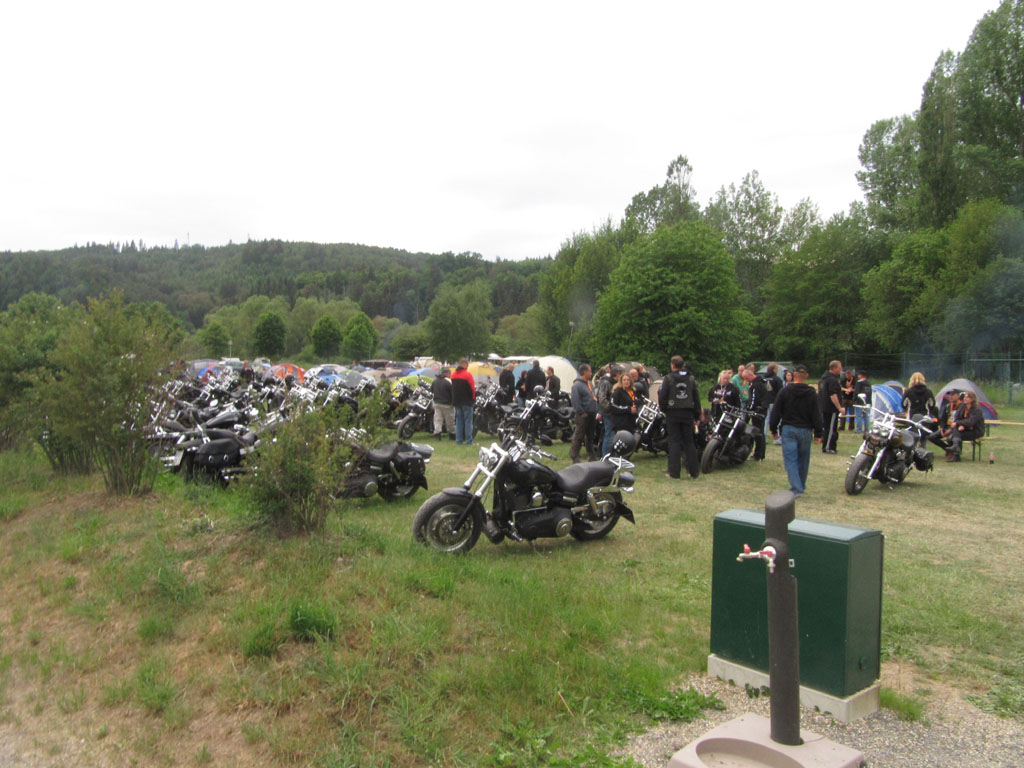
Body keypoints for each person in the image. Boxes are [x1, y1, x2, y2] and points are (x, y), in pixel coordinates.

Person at [769, 363, 823, 496]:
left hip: (789, 429)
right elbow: (816, 414)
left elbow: (776, 411)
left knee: (791, 460)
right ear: (807, 376)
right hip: (805, 430)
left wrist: (773, 429)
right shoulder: (811, 393)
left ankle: (796, 488)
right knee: (803, 459)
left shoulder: (785, 391)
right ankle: (801, 485)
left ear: (793, 376)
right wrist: (818, 432)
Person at [659, 355, 700, 479]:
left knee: (674, 442)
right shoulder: (691, 378)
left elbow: (662, 396)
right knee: (689, 442)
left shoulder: (668, 378)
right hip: (688, 412)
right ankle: (694, 472)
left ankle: (674, 473)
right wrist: (697, 414)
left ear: (672, 365)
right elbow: (696, 397)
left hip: (673, 412)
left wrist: (664, 409)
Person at [569, 364, 599, 463]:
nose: (591, 373)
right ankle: (575, 456)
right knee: (579, 436)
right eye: (590, 371)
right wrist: (581, 412)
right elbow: (575, 401)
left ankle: (591, 455)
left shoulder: (589, 383)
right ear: (584, 372)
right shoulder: (577, 385)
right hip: (583, 415)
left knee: (590, 436)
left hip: (592, 413)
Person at [947, 391, 985, 462]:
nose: (964, 398)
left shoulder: (977, 409)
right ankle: (956, 450)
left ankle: (956, 454)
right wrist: (961, 425)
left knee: (955, 434)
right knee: (956, 430)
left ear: (972, 399)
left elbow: (971, 422)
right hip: (965, 429)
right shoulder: (962, 407)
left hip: (975, 431)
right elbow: (956, 417)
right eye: (964, 397)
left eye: (967, 397)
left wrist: (960, 424)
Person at [596, 365, 624, 456]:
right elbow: (602, 398)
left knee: (613, 434)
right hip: (608, 413)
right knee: (609, 434)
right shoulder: (606, 382)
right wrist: (610, 408)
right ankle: (606, 455)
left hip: (614, 413)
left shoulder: (614, 383)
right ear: (617, 374)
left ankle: (613, 454)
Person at [818, 360, 844, 454]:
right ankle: (828, 447)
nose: (841, 370)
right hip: (830, 408)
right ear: (834, 368)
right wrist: (839, 407)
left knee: (827, 427)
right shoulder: (832, 380)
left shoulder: (823, 379)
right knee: (831, 428)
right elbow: (833, 395)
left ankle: (828, 446)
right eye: (840, 368)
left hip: (823, 407)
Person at [743, 366, 768, 460]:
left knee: (757, 433)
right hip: (762, 410)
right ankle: (761, 454)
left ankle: (758, 454)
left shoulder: (755, 385)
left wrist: (749, 410)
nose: (746, 380)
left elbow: (753, 400)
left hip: (757, 412)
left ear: (750, 375)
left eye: (746, 378)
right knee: (760, 432)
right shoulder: (762, 382)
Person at [451, 359, 476, 445]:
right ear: (464, 365)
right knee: (468, 421)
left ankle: (459, 440)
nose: (468, 368)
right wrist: (473, 399)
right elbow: (472, 389)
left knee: (459, 422)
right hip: (466, 401)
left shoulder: (453, 375)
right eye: (467, 366)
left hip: (457, 401)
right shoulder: (467, 375)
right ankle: (469, 441)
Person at [430, 368, 454, 439]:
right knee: (450, 420)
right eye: (450, 374)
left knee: (437, 420)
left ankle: (438, 433)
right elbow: (452, 393)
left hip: (437, 403)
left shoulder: (434, 381)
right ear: (446, 373)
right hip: (447, 404)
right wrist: (453, 402)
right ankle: (452, 434)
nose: (450, 375)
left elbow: (431, 390)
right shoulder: (448, 382)